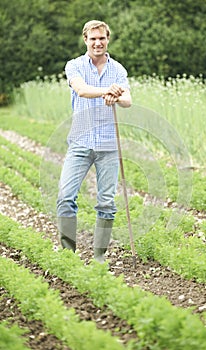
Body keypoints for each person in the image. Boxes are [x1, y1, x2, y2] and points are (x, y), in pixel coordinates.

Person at [57, 20, 132, 262]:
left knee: (107, 203)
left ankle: (99, 257)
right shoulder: (75, 65)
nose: (97, 42)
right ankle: (69, 254)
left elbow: (128, 100)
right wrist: (107, 92)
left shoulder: (118, 70)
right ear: (85, 40)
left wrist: (118, 98)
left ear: (107, 39)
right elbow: (81, 90)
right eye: (93, 39)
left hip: (109, 145)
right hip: (80, 142)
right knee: (65, 197)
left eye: (102, 38)